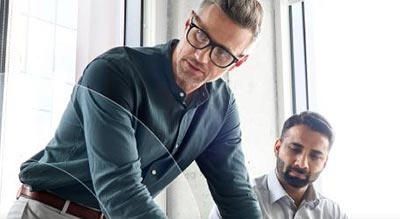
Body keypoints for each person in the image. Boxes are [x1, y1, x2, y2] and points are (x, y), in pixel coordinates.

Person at [6, 0, 264, 219]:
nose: (201, 56)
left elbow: (236, 196)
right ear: (189, 22)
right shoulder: (115, 73)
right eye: (200, 36)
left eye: (221, 53)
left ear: (238, 63)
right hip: (48, 210)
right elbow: (119, 188)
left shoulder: (222, 108)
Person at [209, 111, 348, 219]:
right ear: (277, 148)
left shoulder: (332, 213)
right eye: (295, 149)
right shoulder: (237, 199)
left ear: (325, 162)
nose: (302, 163)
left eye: (315, 156)